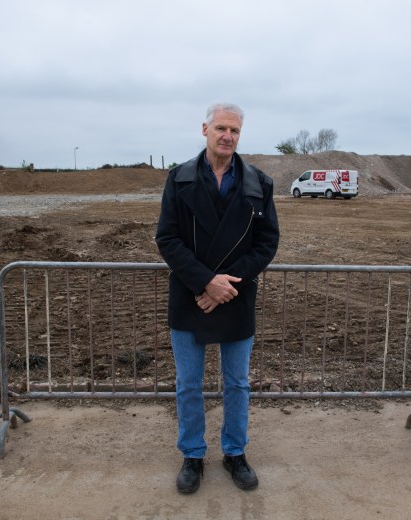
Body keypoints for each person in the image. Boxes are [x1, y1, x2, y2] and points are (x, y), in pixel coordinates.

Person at [155, 102, 280, 494]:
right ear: (205, 129)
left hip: (236, 295)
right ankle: (192, 455)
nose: (228, 136)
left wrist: (225, 286)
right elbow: (167, 238)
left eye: (235, 131)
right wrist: (206, 282)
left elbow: (267, 243)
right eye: (221, 128)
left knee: (237, 383)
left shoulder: (259, 183)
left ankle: (235, 453)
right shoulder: (179, 179)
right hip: (190, 294)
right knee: (188, 384)